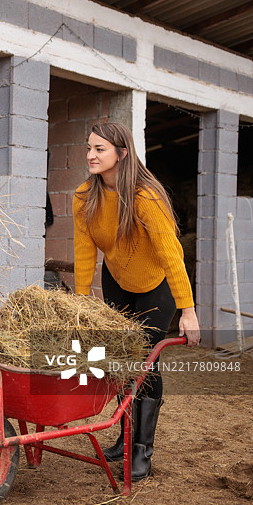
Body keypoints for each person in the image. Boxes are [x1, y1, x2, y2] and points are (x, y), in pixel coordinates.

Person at [72, 122, 201, 481]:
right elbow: (85, 254)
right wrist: (82, 305)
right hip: (116, 281)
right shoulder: (85, 196)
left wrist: (188, 310)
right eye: (89, 148)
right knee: (118, 360)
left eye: (100, 149)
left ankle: (142, 449)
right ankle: (125, 438)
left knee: (144, 363)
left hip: (154, 286)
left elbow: (172, 256)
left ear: (122, 153)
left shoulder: (144, 196)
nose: (90, 155)